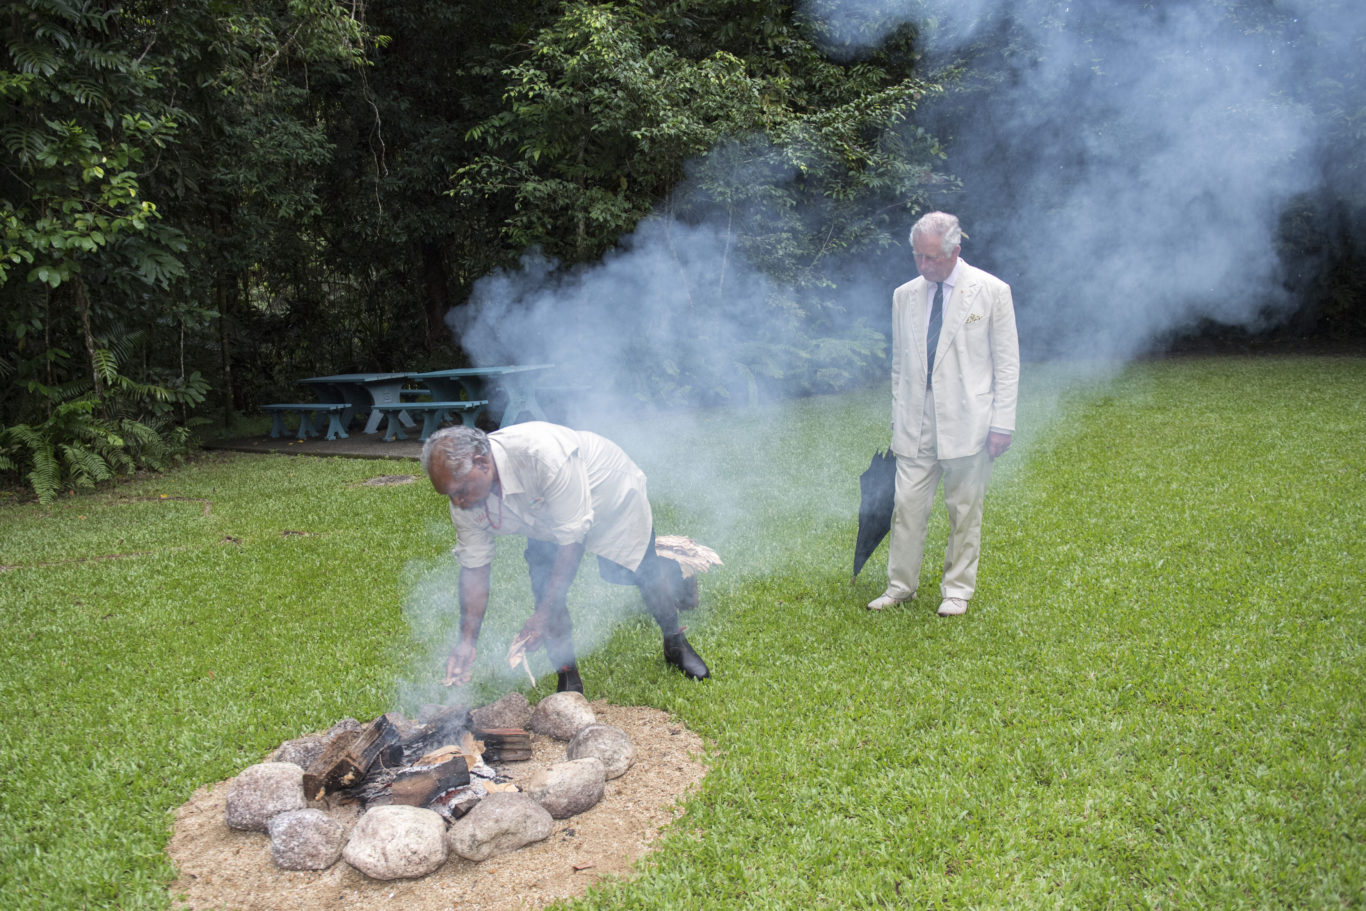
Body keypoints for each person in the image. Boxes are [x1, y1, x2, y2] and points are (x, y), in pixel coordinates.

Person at [421, 421, 710, 693]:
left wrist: (543, 615)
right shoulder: (464, 501)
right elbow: (474, 568)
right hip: (547, 516)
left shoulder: (544, 456)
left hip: (607, 492)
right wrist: (467, 642)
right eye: (449, 495)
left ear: (482, 463)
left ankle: (675, 640)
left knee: (634, 570)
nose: (457, 502)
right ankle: (567, 672)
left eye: (460, 491)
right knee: (542, 583)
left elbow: (572, 543)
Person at [866, 211, 1019, 617]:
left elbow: (1007, 364)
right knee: (907, 506)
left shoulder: (991, 291)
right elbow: (900, 365)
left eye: (931, 257)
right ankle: (900, 586)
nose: (923, 265)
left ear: (955, 250)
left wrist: (1002, 423)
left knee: (964, 509)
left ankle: (957, 590)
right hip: (916, 420)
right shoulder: (904, 295)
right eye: (918, 256)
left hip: (971, 420)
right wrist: (899, 417)